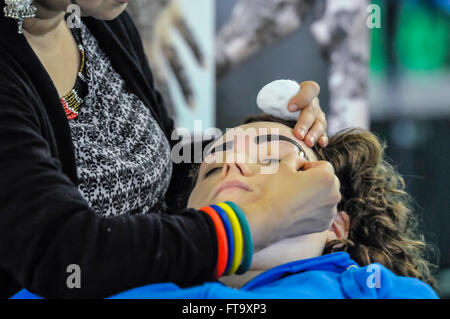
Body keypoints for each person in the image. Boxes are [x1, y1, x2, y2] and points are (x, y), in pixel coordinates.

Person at [0, 0, 331, 298]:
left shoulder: (97, 19)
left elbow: (161, 163)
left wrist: (264, 131)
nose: (235, 166)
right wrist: (255, 221)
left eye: (272, 159)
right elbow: (62, 253)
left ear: (340, 225)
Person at [12, 113, 438, 299]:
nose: (231, 160)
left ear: (336, 225)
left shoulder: (380, 293)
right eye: (212, 170)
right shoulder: (109, 280)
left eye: (271, 158)